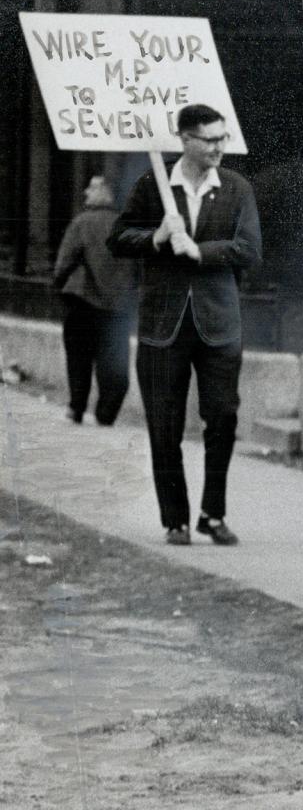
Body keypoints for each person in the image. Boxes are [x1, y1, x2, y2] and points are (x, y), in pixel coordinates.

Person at [108, 104, 261, 546]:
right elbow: (117, 238)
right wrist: (155, 237)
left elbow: (249, 249)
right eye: (208, 140)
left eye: (222, 138)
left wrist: (202, 252)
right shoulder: (153, 186)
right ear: (184, 141)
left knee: (222, 418)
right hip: (163, 325)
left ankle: (212, 513)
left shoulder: (235, 188)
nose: (218, 148)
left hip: (219, 325)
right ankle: (174, 518)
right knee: (164, 423)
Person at [52, 175, 139, 426]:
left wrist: (58, 284)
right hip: (117, 308)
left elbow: (64, 262)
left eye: (92, 187)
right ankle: (107, 412)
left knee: (79, 357)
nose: (86, 192)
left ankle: (76, 407)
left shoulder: (82, 222)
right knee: (113, 360)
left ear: (105, 193)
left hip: (83, 301)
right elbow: (139, 269)